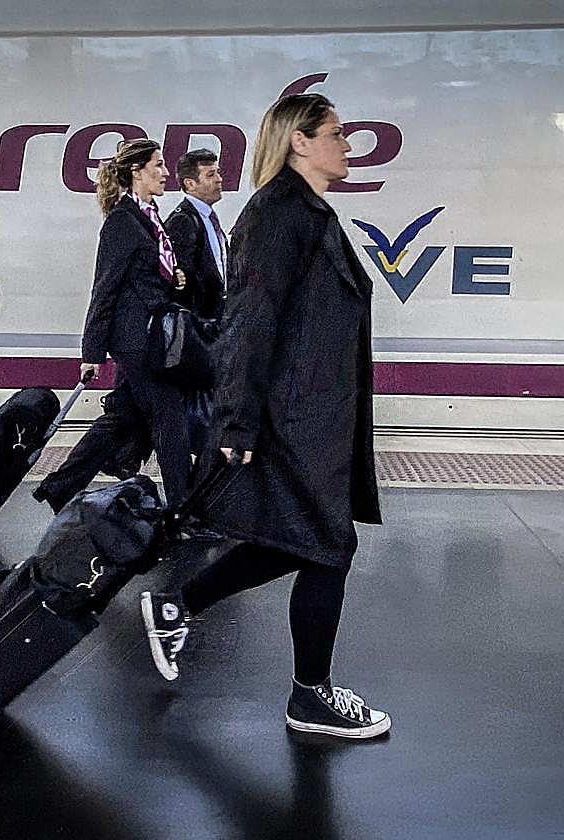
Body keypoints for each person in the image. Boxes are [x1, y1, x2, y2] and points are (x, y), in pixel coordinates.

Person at [139, 93, 391, 740]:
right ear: (300, 141)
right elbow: (247, 324)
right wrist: (236, 423)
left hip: (313, 415)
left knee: (297, 539)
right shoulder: (279, 214)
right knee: (329, 546)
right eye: (337, 133)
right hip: (294, 418)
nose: (347, 144)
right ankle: (310, 697)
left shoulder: (308, 212)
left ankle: (175, 605)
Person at [40, 138, 195, 510]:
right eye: (157, 166)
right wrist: (91, 353)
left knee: (125, 415)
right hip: (135, 341)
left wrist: (173, 278)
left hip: (151, 335)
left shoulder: (150, 216)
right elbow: (104, 288)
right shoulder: (122, 222)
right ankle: (184, 508)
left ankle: (60, 486)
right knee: (168, 418)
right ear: (135, 172)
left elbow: (145, 274)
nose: (164, 172)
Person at [164, 148, 227, 321]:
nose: (219, 180)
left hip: (216, 321)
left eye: (218, 173)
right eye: (210, 175)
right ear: (190, 184)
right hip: (198, 324)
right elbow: (181, 280)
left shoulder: (207, 218)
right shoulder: (183, 221)